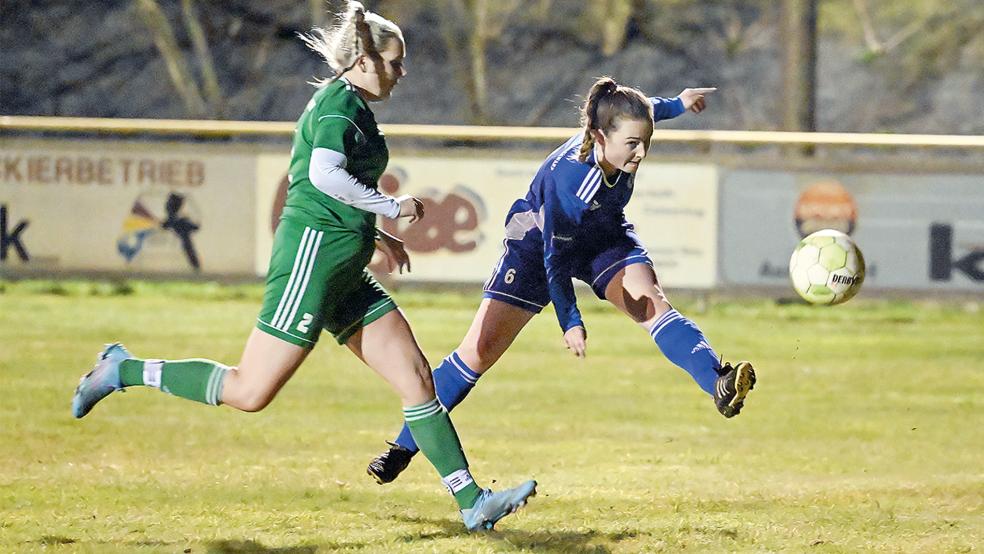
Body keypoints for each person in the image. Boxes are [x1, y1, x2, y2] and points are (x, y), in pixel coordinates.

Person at [71, 1, 535, 532]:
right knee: (249, 392)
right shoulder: (338, 105)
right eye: (395, 61)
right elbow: (323, 177)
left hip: (344, 268)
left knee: (416, 379)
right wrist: (390, 208)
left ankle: (472, 502)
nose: (402, 72)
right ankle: (121, 369)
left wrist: (375, 235)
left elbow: (334, 189)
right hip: (310, 265)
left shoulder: (354, 106)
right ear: (365, 61)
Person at [367, 77, 756, 484]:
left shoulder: (622, 126)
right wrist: (570, 320)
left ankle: (719, 382)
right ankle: (402, 447)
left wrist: (678, 102)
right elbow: (556, 258)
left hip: (604, 236)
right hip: (538, 248)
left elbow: (648, 110)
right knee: (477, 352)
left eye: (646, 142)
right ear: (599, 136)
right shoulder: (572, 178)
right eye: (632, 144)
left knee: (652, 304)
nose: (641, 152)